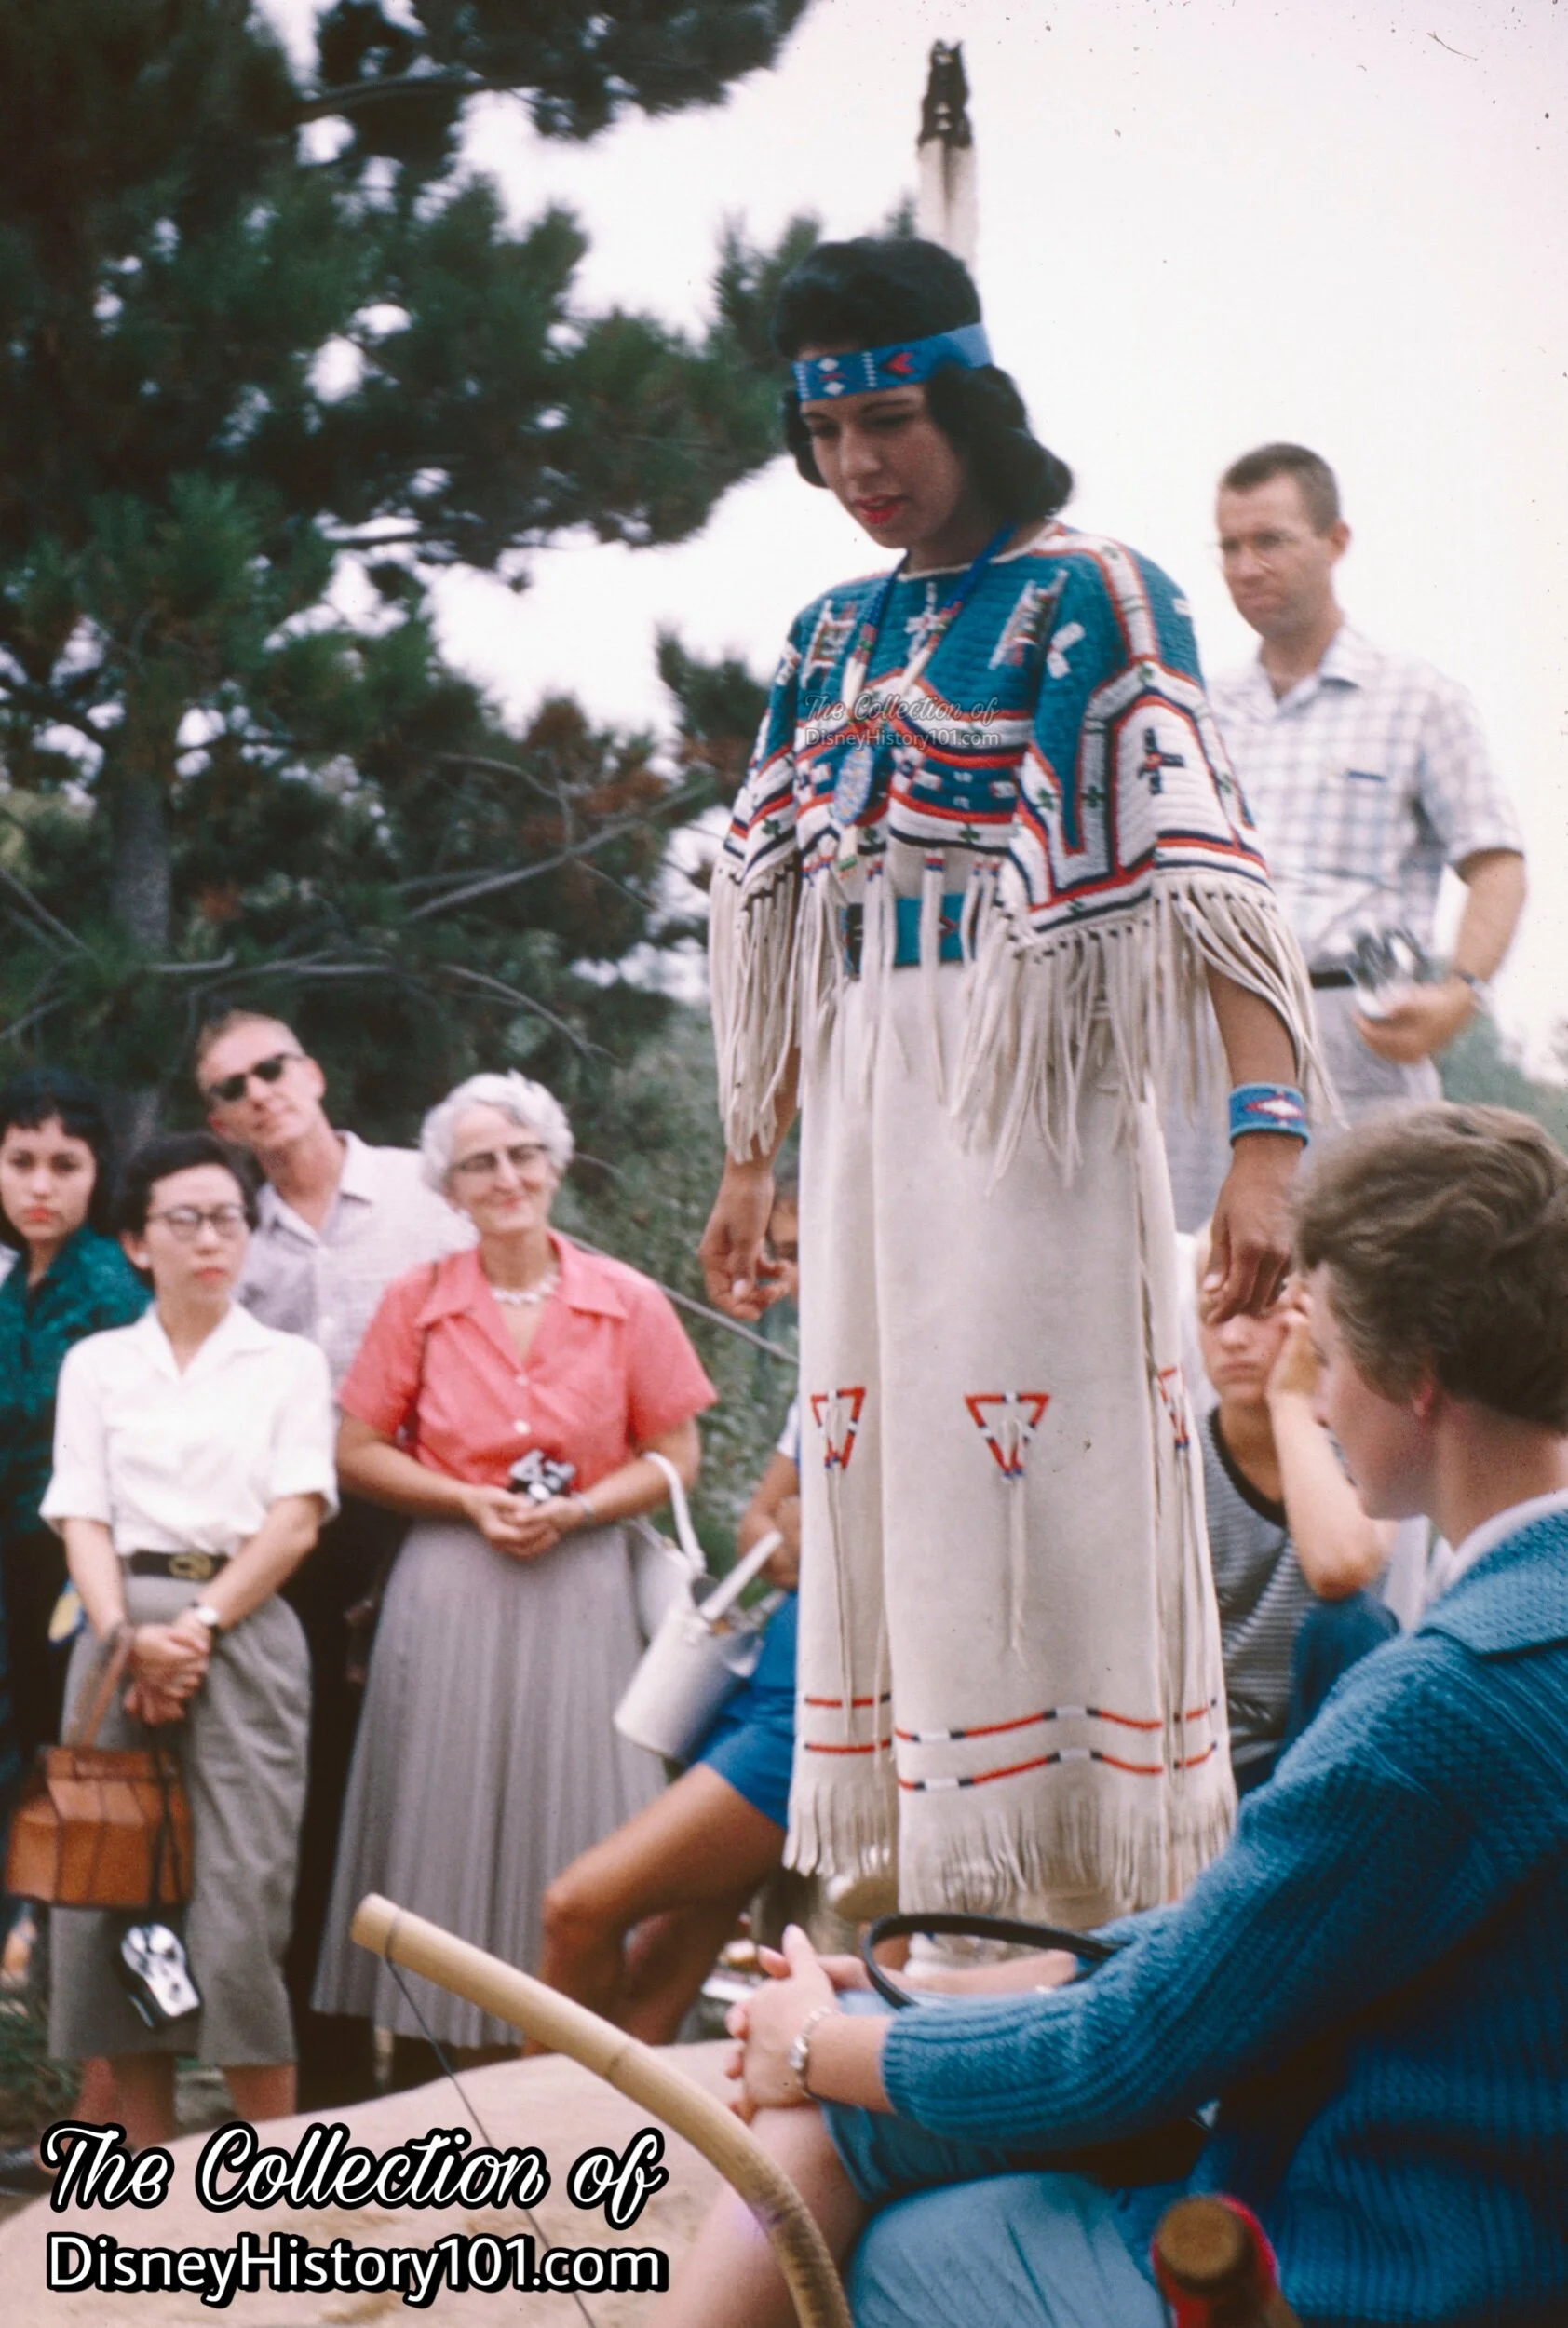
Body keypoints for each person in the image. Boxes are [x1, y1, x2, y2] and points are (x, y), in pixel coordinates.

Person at [662, 1102, 1568, 2328]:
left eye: (1328, 1354)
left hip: (1374, 2259)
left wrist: (820, 2044)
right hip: (1484, 2201)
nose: (1318, 1390)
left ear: (1416, 1379)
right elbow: (1258, 1944)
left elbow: (1128, 2056)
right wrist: (950, 1995)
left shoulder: (1445, 1701)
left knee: (908, 2246)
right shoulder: (1519, 1631)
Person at [699, 237, 1318, 1932]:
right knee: (885, 1483)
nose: (855, 468)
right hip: (862, 1121)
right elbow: (771, 914)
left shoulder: (1096, 596)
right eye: (822, 439)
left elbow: (1208, 883)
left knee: (1045, 1483)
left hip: (1029, 1109)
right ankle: (907, 1920)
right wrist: (751, 1152)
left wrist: (1263, 1145)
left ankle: (1071, 1928)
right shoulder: (827, 635)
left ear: (967, 400)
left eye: (889, 421)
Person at [311, 1072, 717, 2057]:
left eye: (523, 1153)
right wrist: (464, 1498)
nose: (505, 1177)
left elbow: (677, 1455)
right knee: (440, 1829)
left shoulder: (625, 1298)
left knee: (578, 1821)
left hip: (582, 1587)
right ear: (448, 1190)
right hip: (450, 1586)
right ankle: (432, 2066)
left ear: (554, 1164)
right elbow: (354, 1447)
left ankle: (581, 2074)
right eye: (479, 1163)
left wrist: (578, 1505)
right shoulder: (417, 1303)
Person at [196, 1008, 470, 2105]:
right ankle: (336, 2098)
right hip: (301, 1543)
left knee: (434, 1799)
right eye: (230, 1086)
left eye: (273, 1067)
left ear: (311, 1070)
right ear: (213, 1116)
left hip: (439, 1517)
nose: (259, 1092)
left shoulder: (424, 1186)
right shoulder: (232, 1232)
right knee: (311, 1812)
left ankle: (458, 2079)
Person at [41, 1132, 335, 2149]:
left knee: (244, 1897)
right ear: (135, 1240)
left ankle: (277, 2175)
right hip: (117, 1633)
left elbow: (296, 1516)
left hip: (240, 1634)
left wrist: (198, 1628)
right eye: (185, 1219)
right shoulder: (99, 1364)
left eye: (228, 1218)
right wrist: (128, 1636)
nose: (212, 1238)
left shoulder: (286, 1363)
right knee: (121, 1888)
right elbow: (80, 1513)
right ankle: (146, 2170)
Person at [1166, 442, 1526, 1227]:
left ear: (1335, 542)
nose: (1247, 566)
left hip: (1353, 1037)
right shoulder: (1197, 712)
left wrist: (1461, 991)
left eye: (1271, 540)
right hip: (1208, 1040)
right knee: (1202, 1283)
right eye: (1230, 546)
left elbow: (1496, 862)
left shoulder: (1418, 699)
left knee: (1362, 1293)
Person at [538, 1390, 802, 2044]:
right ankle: (589, 2140)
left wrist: (813, 1533)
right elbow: (760, 1529)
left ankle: (521, 2135)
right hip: (760, 1683)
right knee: (657, 1972)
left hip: (810, 1719)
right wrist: (799, 1536)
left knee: (576, 1908)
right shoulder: (826, 1380)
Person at [1195, 1261, 1396, 1792]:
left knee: (1353, 1623)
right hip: (1207, 1769)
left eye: (1262, 1312)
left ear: (1310, 1320)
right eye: (1214, 1314)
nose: (1234, 1338)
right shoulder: (1177, 1460)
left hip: (1325, 1760)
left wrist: (1291, 1400)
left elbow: (1342, 1569)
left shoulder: (1363, 1449)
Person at [0, 1071, 147, 1771]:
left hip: (71, 1563)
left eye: (65, 1166)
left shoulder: (111, 1287)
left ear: (97, 1174)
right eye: (20, 1163)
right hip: (11, 1560)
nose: (39, 1187)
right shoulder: (11, 1281)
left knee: (60, 1756)